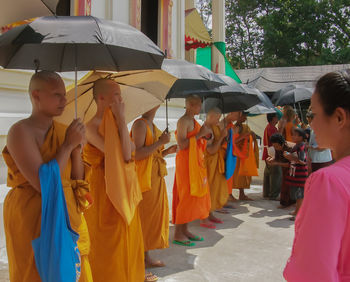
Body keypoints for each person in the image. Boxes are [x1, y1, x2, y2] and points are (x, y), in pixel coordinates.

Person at [2, 71, 92, 282]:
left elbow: (77, 181)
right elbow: (43, 183)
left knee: (76, 270)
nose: (64, 100)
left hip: (68, 213)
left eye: (64, 94)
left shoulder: (64, 130)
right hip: (33, 216)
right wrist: (68, 145)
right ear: (36, 96)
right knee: (34, 273)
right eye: (56, 95)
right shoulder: (20, 132)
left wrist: (77, 150)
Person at [284, 71, 350, 281]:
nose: (309, 124)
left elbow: (313, 272)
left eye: (312, 114)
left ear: (339, 117)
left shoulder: (329, 182)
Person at [83, 79, 146, 282]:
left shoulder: (117, 122)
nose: (121, 99)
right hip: (102, 190)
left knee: (128, 235)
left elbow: (131, 151)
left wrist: (121, 121)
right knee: (107, 240)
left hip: (124, 188)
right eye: (116, 95)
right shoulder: (89, 127)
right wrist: (120, 121)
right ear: (102, 98)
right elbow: (122, 156)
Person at [131, 106, 177, 268]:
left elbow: (153, 155)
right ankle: (139, 259)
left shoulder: (152, 125)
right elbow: (137, 154)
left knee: (152, 218)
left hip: (156, 177)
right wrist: (160, 142)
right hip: (144, 180)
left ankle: (146, 255)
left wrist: (166, 151)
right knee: (144, 218)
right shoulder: (140, 125)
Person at [172, 95, 211, 246]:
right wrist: (200, 135)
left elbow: (197, 139)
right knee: (185, 196)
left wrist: (204, 136)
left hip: (195, 162)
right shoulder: (183, 121)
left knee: (192, 196)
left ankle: (185, 230)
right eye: (199, 105)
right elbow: (182, 144)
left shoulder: (194, 121)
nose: (200, 108)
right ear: (191, 106)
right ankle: (177, 234)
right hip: (185, 164)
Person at [200, 108, 228, 228]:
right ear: (211, 117)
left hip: (216, 163)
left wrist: (224, 137)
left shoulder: (214, 127)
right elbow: (210, 150)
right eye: (217, 118)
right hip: (208, 164)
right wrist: (221, 137)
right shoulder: (206, 130)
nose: (219, 120)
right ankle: (204, 217)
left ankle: (210, 213)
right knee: (207, 190)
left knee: (214, 190)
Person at [232, 112, 259, 201]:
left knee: (243, 175)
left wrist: (252, 136)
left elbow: (250, 138)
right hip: (236, 154)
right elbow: (232, 142)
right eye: (243, 116)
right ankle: (229, 194)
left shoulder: (245, 127)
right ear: (238, 116)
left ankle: (242, 194)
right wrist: (244, 136)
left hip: (244, 154)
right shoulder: (234, 127)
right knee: (235, 175)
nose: (245, 118)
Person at [283, 128, 308, 220]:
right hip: (297, 173)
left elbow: (302, 161)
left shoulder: (301, 146)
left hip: (301, 173)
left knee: (300, 194)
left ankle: (299, 213)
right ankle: (297, 211)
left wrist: (290, 157)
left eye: (295, 135)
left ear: (301, 137)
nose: (293, 136)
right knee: (298, 194)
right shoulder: (297, 145)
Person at [267, 133, 294, 208]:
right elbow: (276, 157)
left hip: (294, 169)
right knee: (284, 185)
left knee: (290, 186)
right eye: (274, 146)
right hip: (285, 169)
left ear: (282, 144)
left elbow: (290, 164)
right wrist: (271, 159)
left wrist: (276, 163)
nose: (275, 148)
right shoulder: (277, 147)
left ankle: (291, 204)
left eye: (276, 146)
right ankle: (285, 203)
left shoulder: (289, 148)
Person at [262, 113, 280, 200]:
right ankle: (273, 194)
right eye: (276, 117)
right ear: (273, 118)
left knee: (268, 173)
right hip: (272, 152)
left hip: (267, 152)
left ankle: (266, 193)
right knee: (276, 173)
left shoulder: (268, 127)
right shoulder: (272, 128)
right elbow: (277, 140)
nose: (278, 119)